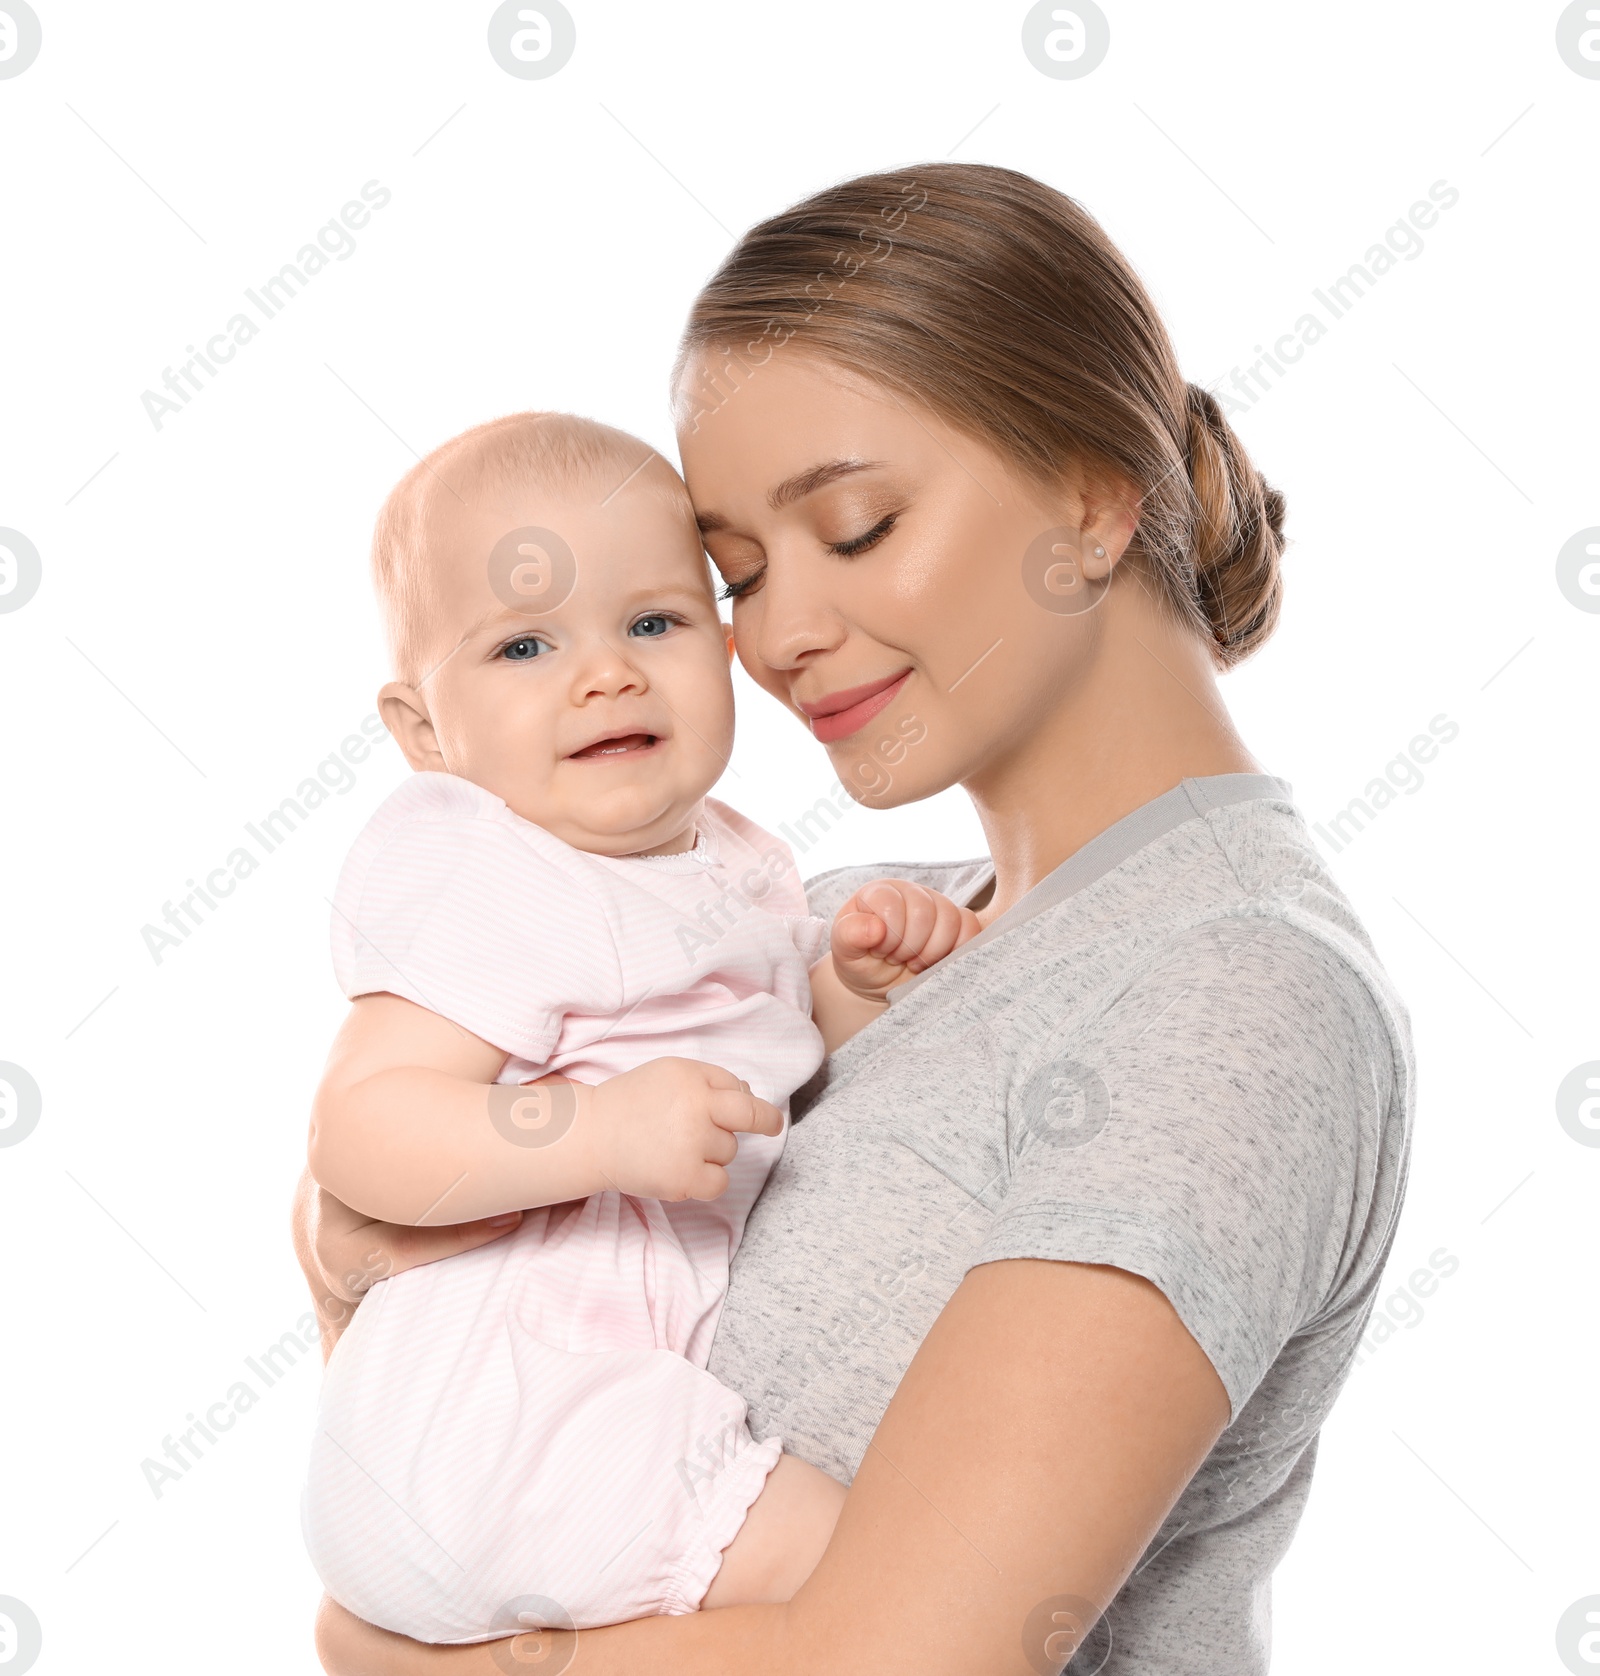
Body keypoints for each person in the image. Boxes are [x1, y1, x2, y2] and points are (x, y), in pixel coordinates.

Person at [301, 163, 1414, 1675]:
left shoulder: (1235, 989)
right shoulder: (806, 938)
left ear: (1090, 499)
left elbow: (907, 1659)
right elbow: (420, 1334)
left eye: (858, 526)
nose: (780, 637)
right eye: (739, 577)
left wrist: (446, 1666)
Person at [299, 410, 983, 1642]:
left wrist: (857, 982)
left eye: (653, 623)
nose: (604, 671)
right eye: (522, 644)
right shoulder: (494, 870)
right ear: (422, 733)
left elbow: (754, 1063)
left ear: (724, 649)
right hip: (506, 1420)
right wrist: (596, 1131)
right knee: (891, 1594)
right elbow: (361, 1124)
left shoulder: (737, 866)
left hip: (571, 1409)